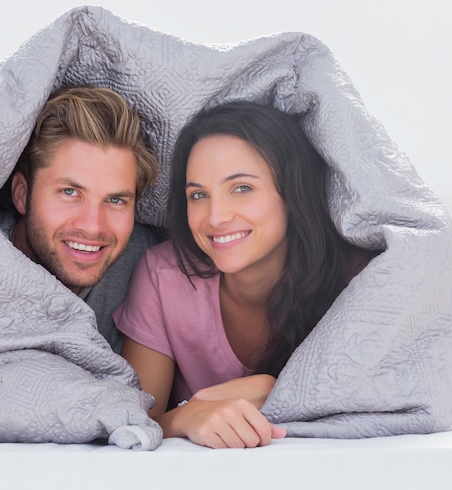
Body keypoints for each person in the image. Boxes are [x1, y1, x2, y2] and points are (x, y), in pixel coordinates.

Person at [114, 101, 378, 448]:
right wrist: (186, 416)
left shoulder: (359, 280)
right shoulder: (164, 276)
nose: (216, 216)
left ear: (290, 192)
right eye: (198, 195)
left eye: (241, 188)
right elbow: (136, 423)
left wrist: (276, 390)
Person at [0, 85, 160, 352]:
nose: (93, 226)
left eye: (115, 200)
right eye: (70, 192)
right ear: (22, 194)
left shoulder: (152, 265)